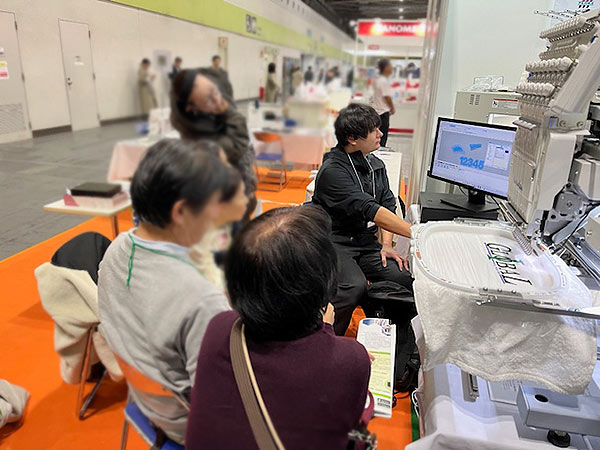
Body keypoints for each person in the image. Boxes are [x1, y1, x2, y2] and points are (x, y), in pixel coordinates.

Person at [186, 206, 371, 450]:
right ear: (325, 286)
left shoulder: (219, 328)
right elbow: (349, 422)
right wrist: (326, 331)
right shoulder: (350, 359)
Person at [98, 139, 235, 444]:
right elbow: (218, 403)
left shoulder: (117, 248)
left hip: (147, 399)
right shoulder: (202, 299)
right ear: (181, 211)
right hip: (188, 425)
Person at [312, 103, 413, 335]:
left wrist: (387, 244)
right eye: (374, 130)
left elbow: (387, 204)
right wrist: (418, 234)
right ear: (352, 139)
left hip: (364, 242)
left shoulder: (375, 165)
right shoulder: (333, 171)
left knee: (401, 277)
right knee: (352, 286)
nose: (381, 134)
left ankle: (395, 339)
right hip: (334, 241)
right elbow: (370, 208)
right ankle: (327, 338)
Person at [170, 69, 256, 220]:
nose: (217, 99)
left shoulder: (212, 113)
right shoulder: (200, 137)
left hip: (237, 194)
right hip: (223, 203)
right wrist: (229, 112)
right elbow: (237, 147)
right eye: (208, 99)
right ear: (192, 109)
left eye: (214, 90)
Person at [374, 58, 395, 147]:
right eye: (390, 66)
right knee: (382, 135)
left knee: (378, 134)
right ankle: (381, 150)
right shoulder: (383, 81)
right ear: (386, 68)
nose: (391, 68)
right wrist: (392, 107)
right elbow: (387, 96)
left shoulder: (379, 80)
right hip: (383, 111)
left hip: (378, 110)